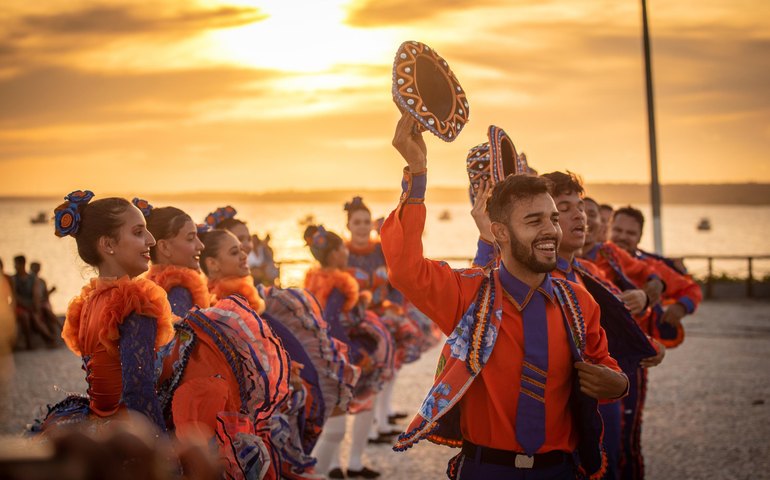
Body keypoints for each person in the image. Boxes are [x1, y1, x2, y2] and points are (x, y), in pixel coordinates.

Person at [383, 113, 628, 479]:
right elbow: (404, 268)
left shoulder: (579, 303)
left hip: (560, 471)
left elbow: (603, 365)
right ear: (499, 231)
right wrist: (417, 172)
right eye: (534, 221)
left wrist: (618, 383)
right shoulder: (469, 294)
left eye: (553, 219)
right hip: (486, 470)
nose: (551, 231)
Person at [34, 190, 174, 434]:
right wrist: (162, 453)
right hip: (123, 432)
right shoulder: (134, 302)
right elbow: (138, 391)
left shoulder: (90, 301)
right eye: (139, 232)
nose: (151, 240)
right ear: (108, 244)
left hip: (94, 422)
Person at [304, 225, 394, 479]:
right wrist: (355, 354)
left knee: (333, 414)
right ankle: (326, 469)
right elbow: (332, 320)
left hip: (326, 352)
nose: (346, 252)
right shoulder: (337, 283)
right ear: (333, 254)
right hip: (341, 354)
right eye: (341, 248)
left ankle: (332, 467)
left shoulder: (316, 279)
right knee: (341, 416)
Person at [344, 196, 426, 443]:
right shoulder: (341, 254)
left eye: (366, 221)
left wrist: (396, 306)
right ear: (348, 225)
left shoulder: (380, 250)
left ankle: (381, 420)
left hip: (386, 319)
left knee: (389, 370)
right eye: (356, 222)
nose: (361, 226)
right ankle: (369, 428)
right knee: (369, 376)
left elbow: (394, 279)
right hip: (358, 325)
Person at [610, 206, 702, 346]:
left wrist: (681, 306)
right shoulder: (592, 258)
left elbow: (692, 289)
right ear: (608, 229)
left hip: (636, 351)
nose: (622, 237)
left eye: (630, 233)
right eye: (617, 230)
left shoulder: (652, 266)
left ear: (640, 237)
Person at [11, 255, 57, 349]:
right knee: (26, 316)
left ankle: (50, 339)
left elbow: (35, 294)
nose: (14, 266)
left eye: (16, 264)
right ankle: (39, 341)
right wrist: (28, 306)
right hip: (22, 306)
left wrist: (35, 307)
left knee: (35, 317)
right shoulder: (14, 279)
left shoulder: (32, 279)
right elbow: (15, 296)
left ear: (22, 264)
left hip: (31, 306)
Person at [29, 262, 62, 338]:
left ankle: (61, 329)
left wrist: (50, 291)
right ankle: (55, 333)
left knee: (48, 311)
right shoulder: (30, 281)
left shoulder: (42, 281)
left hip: (42, 303)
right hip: (35, 305)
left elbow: (45, 296)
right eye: (34, 268)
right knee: (45, 312)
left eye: (37, 268)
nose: (36, 270)